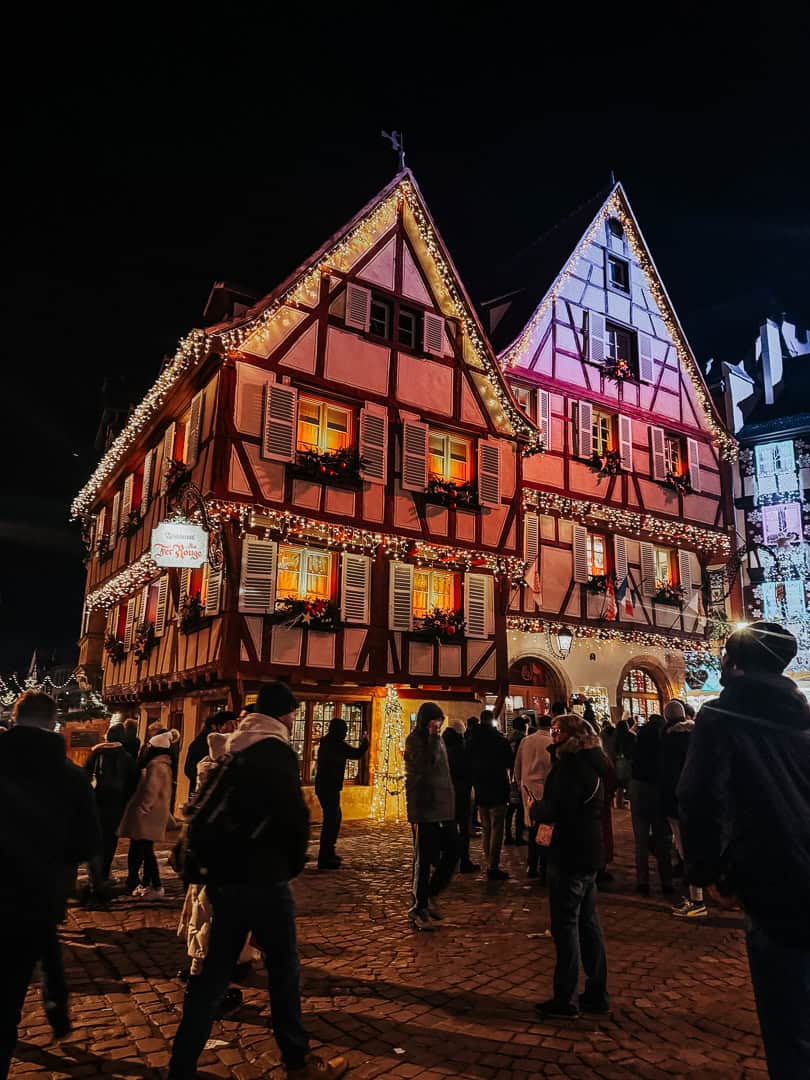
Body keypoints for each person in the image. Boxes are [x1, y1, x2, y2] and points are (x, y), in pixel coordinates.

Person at [169, 681, 347, 1079]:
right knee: (284, 970)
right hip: (263, 877)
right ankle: (297, 1061)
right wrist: (287, 865)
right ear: (283, 714)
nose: (292, 719)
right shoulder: (274, 750)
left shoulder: (233, 745)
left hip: (223, 876)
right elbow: (292, 816)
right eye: (292, 713)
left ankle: (180, 1065)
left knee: (213, 973)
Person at [678, 622, 810, 1080]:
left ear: (730, 664)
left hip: (770, 874)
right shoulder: (803, 715)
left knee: (788, 1020)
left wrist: (708, 871)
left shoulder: (719, 716)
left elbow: (697, 798)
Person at [0, 691, 100, 1075]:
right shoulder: (69, 776)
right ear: (52, 723)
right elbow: (87, 843)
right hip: (33, 895)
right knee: (9, 992)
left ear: (14, 717)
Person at [528, 713, 609, 1020]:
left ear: (571, 736)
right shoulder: (594, 763)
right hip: (589, 852)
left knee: (566, 927)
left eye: (557, 731)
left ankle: (566, 997)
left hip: (569, 851)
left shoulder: (571, 767)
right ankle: (597, 992)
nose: (553, 735)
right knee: (588, 924)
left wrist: (538, 808)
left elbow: (558, 807)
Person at [404, 702, 458, 930]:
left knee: (453, 851)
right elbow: (427, 766)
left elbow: (443, 772)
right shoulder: (415, 741)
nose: (439, 725)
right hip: (425, 809)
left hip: (444, 809)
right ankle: (418, 907)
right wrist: (433, 738)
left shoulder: (439, 739)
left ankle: (431, 894)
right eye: (436, 721)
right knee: (424, 860)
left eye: (441, 721)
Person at [119, 728, 180, 898]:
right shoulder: (165, 764)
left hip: (148, 815)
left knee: (145, 850)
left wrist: (142, 808)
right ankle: (148, 883)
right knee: (146, 849)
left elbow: (151, 791)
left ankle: (155, 885)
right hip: (155, 814)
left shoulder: (156, 766)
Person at [660, 701, 706, 918]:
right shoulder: (699, 738)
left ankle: (697, 899)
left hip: (678, 801)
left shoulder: (668, 741)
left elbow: (667, 775)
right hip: (703, 800)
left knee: (685, 847)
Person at [84, 722, 137, 883]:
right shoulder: (126, 757)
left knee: (95, 838)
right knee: (110, 840)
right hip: (116, 806)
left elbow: (85, 776)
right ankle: (105, 872)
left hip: (96, 802)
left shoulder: (96, 754)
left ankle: (94, 874)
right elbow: (133, 782)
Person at [314, 719, 369, 870]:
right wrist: (365, 742)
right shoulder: (336, 744)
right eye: (344, 731)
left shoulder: (328, 743)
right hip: (329, 787)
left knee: (334, 818)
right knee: (331, 821)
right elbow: (356, 753)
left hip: (325, 787)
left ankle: (328, 853)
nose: (345, 734)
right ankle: (325, 857)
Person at [628, 713, 673, 896]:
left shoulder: (640, 739)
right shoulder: (664, 741)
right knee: (663, 838)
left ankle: (642, 881)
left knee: (640, 839)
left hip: (638, 787)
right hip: (658, 788)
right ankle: (666, 881)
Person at [468, 709, 513, 880]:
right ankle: (493, 865)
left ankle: (489, 861)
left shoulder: (472, 740)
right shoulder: (500, 740)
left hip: (481, 787)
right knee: (497, 828)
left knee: (486, 827)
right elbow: (509, 761)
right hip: (498, 786)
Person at [514, 712, 554, 882]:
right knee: (545, 828)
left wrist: (517, 782)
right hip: (544, 789)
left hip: (527, 787)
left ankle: (532, 863)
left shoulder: (526, 740)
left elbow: (517, 764)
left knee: (531, 828)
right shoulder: (550, 742)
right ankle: (544, 865)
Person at [442, 718, 478, 873]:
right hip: (461, 793)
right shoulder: (461, 748)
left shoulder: (441, 745)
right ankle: (464, 860)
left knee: (446, 828)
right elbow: (468, 771)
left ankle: (444, 860)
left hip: (444, 793)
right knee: (463, 829)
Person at [184, 711, 238, 798]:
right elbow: (189, 769)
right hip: (203, 794)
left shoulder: (229, 743)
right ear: (218, 726)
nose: (234, 728)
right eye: (231, 724)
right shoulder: (202, 743)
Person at [505, 716, 527, 846]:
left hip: (509, 774)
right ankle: (518, 836)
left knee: (511, 807)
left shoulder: (508, 739)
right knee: (519, 807)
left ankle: (508, 834)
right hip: (518, 774)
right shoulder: (522, 740)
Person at [612, 719, 635, 809]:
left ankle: (619, 803)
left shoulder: (615, 737)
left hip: (619, 761)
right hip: (629, 761)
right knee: (630, 784)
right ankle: (632, 804)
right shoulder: (631, 736)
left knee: (620, 785)